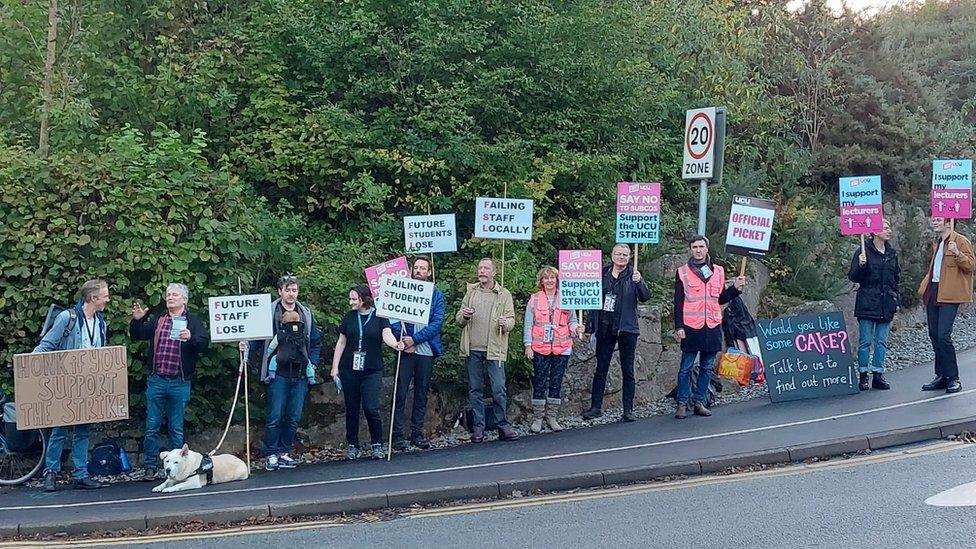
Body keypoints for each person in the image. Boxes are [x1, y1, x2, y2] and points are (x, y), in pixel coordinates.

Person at [36, 279, 110, 492]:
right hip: (65, 383)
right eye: (104, 295)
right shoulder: (66, 318)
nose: (107, 299)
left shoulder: (101, 321)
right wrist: (28, 369)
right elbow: (47, 345)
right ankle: (50, 473)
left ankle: (81, 474)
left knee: (83, 431)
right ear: (92, 298)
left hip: (88, 383)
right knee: (59, 430)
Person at [131, 283, 210, 480]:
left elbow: (203, 344)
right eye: (168, 294)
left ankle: (177, 468)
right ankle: (150, 465)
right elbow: (138, 335)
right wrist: (137, 321)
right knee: (152, 425)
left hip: (179, 381)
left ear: (185, 299)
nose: (170, 297)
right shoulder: (159, 318)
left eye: (175, 295)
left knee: (176, 427)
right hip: (157, 379)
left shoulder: (192, 321)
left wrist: (191, 337)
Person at [250, 275, 322, 471]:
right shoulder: (270, 312)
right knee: (275, 414)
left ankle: (284, 451)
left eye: (294, 290)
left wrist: (312, 365)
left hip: (299, 373)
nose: (291, 294)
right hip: (277, 373)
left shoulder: (305, 313)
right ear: (280, 291)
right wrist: (246, 348)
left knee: (293, 415)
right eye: (288, 290)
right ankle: (271, 453)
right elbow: (257, 339)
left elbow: (315, 341)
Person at [673, 236, 744, 419]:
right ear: (690, 249)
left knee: (706, 367)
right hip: (690, 326)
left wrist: (735, 288)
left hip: (711, 325)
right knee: (686, 367)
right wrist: (678, 325)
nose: (698, 250)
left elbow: (720, 298)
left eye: (701, 246)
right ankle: (682, 403)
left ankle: (699, 402)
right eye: (695, 247)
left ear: (707, 248)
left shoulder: (719, 271)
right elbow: (678, 301)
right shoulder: (683, 272)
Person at [330, 285, 403, 460]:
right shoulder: (349, 317)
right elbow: (341, 342)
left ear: (364, 299)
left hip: (372, 368)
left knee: (371, 407)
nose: (351, 302)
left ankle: (377, 442)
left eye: (354, 299)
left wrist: (395, 344)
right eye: (351, 298)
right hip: (350, 369)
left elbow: (387, 335)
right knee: (352, 408)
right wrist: (335, 367)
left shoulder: (379, 316)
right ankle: (353, 444)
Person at [582, 244, 651, 422]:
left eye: (625, 255)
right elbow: (591, 300)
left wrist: (639, 282)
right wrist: (590, 327)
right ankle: (595, 407)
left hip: (627, 328)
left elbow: (645, 297)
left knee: (628, 370)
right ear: (612, 255)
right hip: (605, 327)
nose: (621, 257)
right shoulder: (600, 274)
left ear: (630, 257)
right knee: (601, 368)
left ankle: (628, 410)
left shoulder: (633, 275)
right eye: (618, 254)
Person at [456, 258, 518, 443]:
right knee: (475, 389)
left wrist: (505, 323)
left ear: (494, 273)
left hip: (495, 348)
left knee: (498, 388)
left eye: (486, 268)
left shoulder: (504, 294)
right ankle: (478, 428)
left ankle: (502, 425)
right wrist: (464, 316)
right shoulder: (471, 292)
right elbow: (459, 319)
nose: (482, 271)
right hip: (473, 348)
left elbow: (512, 320)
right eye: (480, 268)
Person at [391, 257, 445, 451]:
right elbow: (393, 319)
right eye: (416, 268)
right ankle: (396, 435)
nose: (419, 271)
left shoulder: (436, 294)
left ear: (429, 272)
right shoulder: (401, 290)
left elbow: (437, 323)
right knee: (400, 392)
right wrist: (406, 340)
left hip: (426, 350)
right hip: (405, 349)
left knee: (421, 393)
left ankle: (417, 433)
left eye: (423, 268)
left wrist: (416, 339)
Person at [523, 266, 584, 433]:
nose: (549, 281)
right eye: (546, 278)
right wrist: (528, 345)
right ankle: (537, 418)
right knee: (540, 381)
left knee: (556, 382)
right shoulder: (534, 299)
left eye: (552, 278)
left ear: (557, 280)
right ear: (541, 281)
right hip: (539, 347)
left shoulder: (567, 298)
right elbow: (528, 324)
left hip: (562, 347)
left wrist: (576, 328)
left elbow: (571, 320)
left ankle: (552, 417)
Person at [918, 216, 974, 394]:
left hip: (950, 294)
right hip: (934, 290)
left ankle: (953, 377)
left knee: (943, 335)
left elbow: (971, 265)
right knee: (934, 334)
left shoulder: (960, 241)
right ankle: (941, 375)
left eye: (938, 219)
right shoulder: (938, 243)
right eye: (933, 219)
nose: (934, 222)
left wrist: (957, 253)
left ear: (949, 222)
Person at [848, 219, 899, 391]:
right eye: (885, 227)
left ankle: (878, 374)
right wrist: (861, 266)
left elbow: (895, 279)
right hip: (867, 302)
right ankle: (863, 375)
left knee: (881, 341)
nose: (889, 230)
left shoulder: (891, 254)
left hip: (886, 303)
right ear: (875, 231)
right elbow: (854, 277)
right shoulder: (863, 252)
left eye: (889, 227)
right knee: (865, 341)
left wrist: (895, 300)